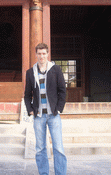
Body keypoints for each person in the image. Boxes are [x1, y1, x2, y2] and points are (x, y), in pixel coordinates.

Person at [24, 43, 67, 175]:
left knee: (58, 147)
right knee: (40, 148)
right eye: (39, 53)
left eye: (44, 53)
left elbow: (62, 91)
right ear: (36, 55)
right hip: (39, 116)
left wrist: (59, 109)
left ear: (47, 54)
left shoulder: (56, 70)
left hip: (53, 115)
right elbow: (27, 95)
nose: (41, 56)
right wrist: (31, 110)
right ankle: (44, 173)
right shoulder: (31, 72)